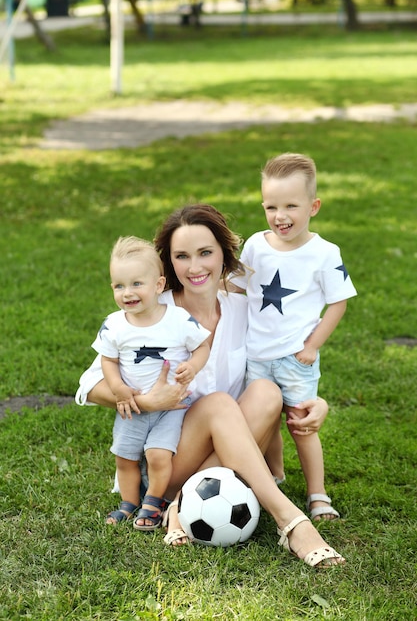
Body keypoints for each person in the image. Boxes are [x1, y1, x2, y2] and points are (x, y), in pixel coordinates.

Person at [76, 204, 345, 568]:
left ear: (223, 254)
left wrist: (314, 402)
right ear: (168, 264)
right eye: (181, 256)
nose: (195, 267)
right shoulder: (152, 312)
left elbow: (279, 363)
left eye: (205, 253)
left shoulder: (243, 306)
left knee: (267, 391)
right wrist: (147, 400)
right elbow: (89, 385)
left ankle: (181, 507)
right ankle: (290, 520)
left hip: (226, 446)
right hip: (164, 460)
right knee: (219, 403)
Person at [228, 153, 357, 521]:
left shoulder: (324, 253)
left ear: (313, 206)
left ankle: (318, 495)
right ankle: (274, 474)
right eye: (271, 206)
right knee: (266, 421)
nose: (280, 216)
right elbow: (236, 288)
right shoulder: (255, 244)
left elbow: (338, 304)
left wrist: (312, 345)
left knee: (301, 424)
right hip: (256, 355)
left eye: (290, 206)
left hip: (295, 357)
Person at [88, 236, 210, 527]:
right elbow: (108, 360)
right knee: (125, 458)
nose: (127, 293)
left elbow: (202, 346)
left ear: (158, 285)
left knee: (157, 454)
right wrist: (118, 388)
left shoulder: (179, 320)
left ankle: (153, 502)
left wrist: (192, 366)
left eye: (136, 284)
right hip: (133, 407)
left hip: (172, 407)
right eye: (119, 286)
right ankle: (129, 503)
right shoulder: (114, 324)